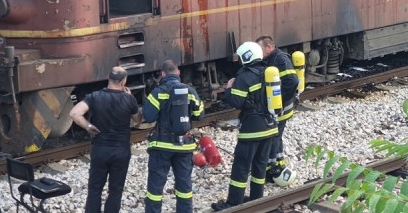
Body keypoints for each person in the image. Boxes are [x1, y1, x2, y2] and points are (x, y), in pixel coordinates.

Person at [211, 42, 279, 211]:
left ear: (246, 56)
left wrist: (228, 89)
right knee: (260, 165)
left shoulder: (244, 77)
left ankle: (234, 203)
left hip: (252, 130)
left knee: (241, 166)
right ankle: (257, 199)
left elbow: (236, 102)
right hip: (270, 127)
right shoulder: (267, 72)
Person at [69, 67, 143, 213]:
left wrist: (88, 126)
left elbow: (74, 113)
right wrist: (131, 99)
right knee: (115, 191)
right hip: (121, 152)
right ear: (124, 81)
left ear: (108, 78)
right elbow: (138, 119)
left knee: (95, 189)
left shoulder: (94, 96)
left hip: (100, 150)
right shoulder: (129, 99)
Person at [143, 60, 205, 213]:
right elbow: (200, 114)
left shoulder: (158, 92)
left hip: (161, 146)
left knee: (155, 188)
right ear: (178, 73)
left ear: (163, 74)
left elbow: (148, 117)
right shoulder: (190, 91)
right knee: (184, 186)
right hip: (185, 146)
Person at [255, 36, 299, 186]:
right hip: (277, 107)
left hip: (281, 108)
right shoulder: (269, 59)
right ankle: (277, 164)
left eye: (260, 48)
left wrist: (279, 101)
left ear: (269, 47)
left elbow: (292, 81)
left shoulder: (281, 60)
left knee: (274, 136)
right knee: (276, 136)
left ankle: (271, 170)